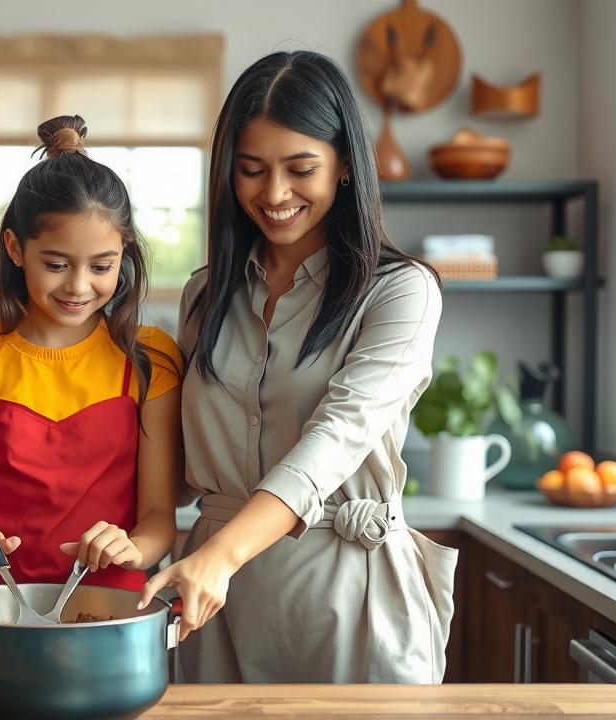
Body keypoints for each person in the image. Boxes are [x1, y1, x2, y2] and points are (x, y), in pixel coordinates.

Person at [139, 51, 455, 683]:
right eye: (251, 170)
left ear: (343, 167)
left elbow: (335, 438)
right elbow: (179, 465)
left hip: (345, 592)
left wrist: (221, 556)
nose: (274, 194)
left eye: (300, 168)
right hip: (214, 601)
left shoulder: (400, 291)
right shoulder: (206, 293)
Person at [0, 116, 181, 592]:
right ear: (15, 248)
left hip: (113, 605)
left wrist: (132, 548)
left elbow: (158, 520)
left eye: (101, 266)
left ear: (123, 254)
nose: (79, 287)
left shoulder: (151, 358)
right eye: (57, 264)